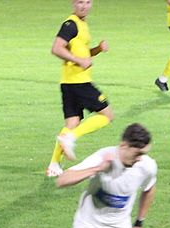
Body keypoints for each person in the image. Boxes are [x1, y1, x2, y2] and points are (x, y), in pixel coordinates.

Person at [46, 0, 116, 178]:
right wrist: (79, 61)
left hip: (68, 83)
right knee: (107, 115)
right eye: (80, 2)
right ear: (73, 3)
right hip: (79, 82)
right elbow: (56, 48)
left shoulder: (82, 24)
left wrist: (97, 49)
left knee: (71, 123)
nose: (84, 6)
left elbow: (82, 53)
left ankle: (53, 165)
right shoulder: (71, 24)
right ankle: (71, 138)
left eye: (87, 2)